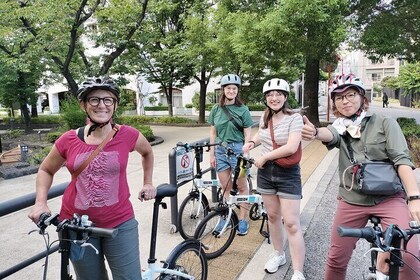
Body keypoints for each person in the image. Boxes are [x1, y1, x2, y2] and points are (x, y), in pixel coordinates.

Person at [28, 76, 156, 280]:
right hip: (76, 226)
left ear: (115, 105)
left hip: (119, 222)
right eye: (94, 100)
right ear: (84, 105)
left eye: (108, 100)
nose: (101, 105)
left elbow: (147, 152)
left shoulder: (128, 135)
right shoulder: (68, 139)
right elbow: (45, 170)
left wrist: (148, 182)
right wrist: (40, 203)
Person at [302, 74, 420, 280]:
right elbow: (329, 134)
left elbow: (402, 160)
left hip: (389, 198)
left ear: (362, 97)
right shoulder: (340, 126)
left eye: (350, 95)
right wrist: (314, 132)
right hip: (352, 201)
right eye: (339, 98)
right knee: (336, 258)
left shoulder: (384, 123)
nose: (345, 101)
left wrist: (414, 198)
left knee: (409, 257)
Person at [243, 78, 305, 280]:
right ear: (265, 99)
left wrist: (264, 157)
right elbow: (262, 135)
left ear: (285, 97)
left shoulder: (294, 118)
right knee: (272, 217)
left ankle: (298, 271)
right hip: (266, 174)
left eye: (278, 94)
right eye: (270, 95)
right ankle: (279, 254)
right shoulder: (265, 117)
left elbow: (291, 147)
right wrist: (252, 143)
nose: (274, 98)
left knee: (292, 223)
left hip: (287, 173)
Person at [208, 73, 254, 235]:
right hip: (220, 150)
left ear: (237, 91)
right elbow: (213, 133)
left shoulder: (243, 109)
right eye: (228, 88)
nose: (231, 91)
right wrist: (212, 154)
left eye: (234, 88)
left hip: (238, 151)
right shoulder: (216, 109)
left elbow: (248, 132)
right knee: (225, 186)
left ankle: (242, 219)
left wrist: (246, 150)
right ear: (223, 90)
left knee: (242, 186)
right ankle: (227, 218)